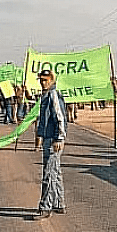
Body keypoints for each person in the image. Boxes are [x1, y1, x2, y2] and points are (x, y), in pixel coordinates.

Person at [34, 69, 67, 220]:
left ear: (52, 80)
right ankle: (59, 203)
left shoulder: (53, 95)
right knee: (55, 172)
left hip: (54, 140)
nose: (43, 82)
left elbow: (60, 118)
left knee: (48, 173)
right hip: (48, 138)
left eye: (46, 80)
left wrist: (59, 138)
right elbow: (43, 119)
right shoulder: (45, 96)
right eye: (41, 80)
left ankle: (45, 207)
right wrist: (40, 136)